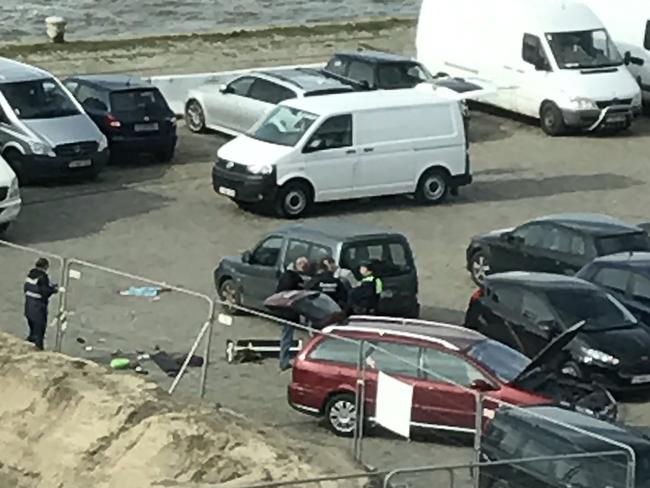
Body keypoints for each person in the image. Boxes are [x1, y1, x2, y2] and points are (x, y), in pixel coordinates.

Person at [277, 256, 309, 371]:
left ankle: (284, 361)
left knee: (287, 337)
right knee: (287, 337)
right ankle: (284, 362)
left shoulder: (286, 275)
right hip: (290, 312)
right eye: (304, 266)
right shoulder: (294, 278)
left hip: (286, 311)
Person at [24, 257, 60, 350]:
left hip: (28, 307)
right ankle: (39, 350)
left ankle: (27, 346)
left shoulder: (30, 275)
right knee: (39, 333)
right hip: (38, 309)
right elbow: (44, 291)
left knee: (32, 331)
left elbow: (31, 288)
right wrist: (54, 290)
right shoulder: (43, 276)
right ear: (45, 266)